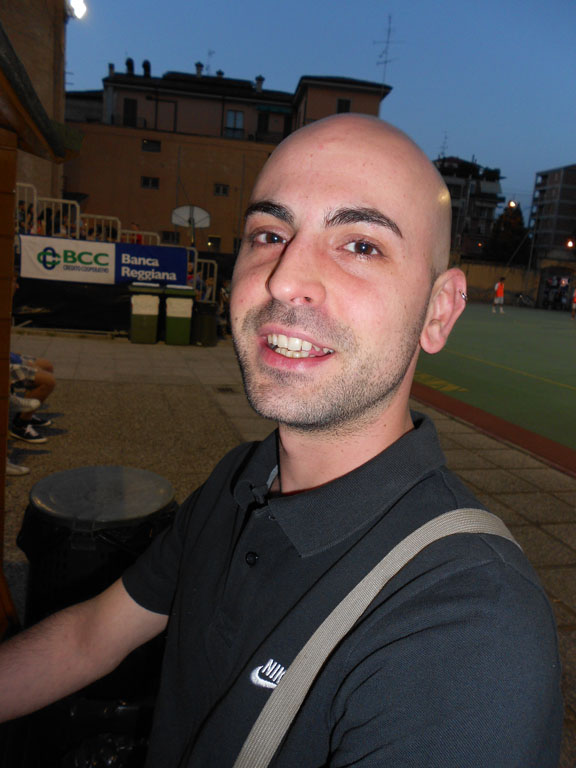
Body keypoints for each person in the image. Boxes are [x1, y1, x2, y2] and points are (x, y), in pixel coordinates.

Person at [0, 115, 562, 766]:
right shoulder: (241, 479)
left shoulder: (468, 627)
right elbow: (90, 637)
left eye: (361, 246)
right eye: (270, 234)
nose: (286, 277)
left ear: (438, 311)